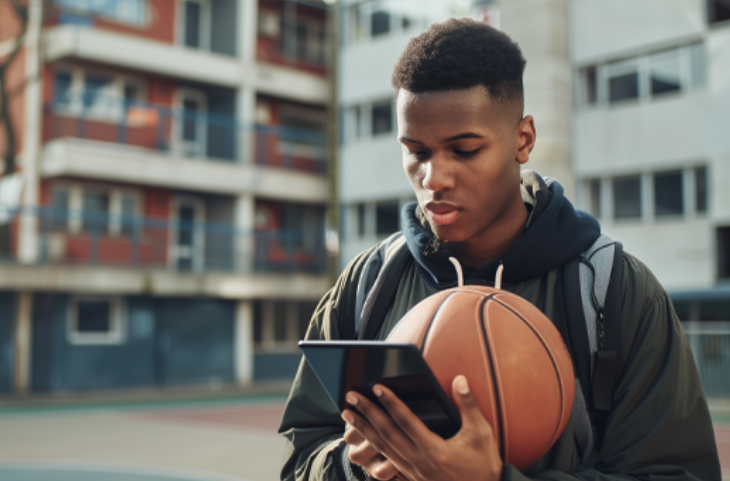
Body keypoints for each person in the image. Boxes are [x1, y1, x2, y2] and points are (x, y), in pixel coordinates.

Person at [278, 18, 721, 481]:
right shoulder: (368, 284)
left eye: (464, 150)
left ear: (522, 140)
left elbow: (677, 474)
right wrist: (356, 465)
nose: (433, 178)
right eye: (416, 151)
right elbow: (301, 457)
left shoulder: (615, 292)